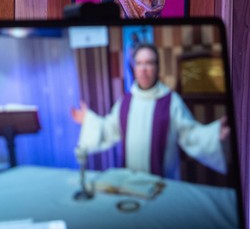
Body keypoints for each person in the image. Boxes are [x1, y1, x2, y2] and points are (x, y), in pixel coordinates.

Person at [70, 44, 229, 180]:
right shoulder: (125, 101)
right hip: (130, 182)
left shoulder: (171, 101)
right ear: (134, 68)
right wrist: (87, 120)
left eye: (149, 63)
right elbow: (109, 129)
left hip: (162, 183)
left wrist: (215, 135)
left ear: (157, 67)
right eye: (139, 63)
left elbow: (190, 135)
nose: (144, 69)